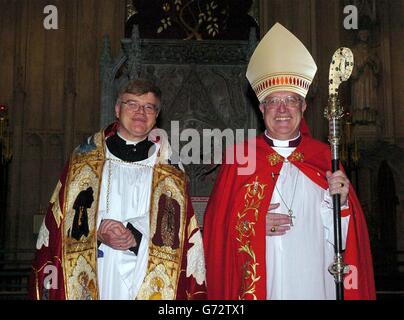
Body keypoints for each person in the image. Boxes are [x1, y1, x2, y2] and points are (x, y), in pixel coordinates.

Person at [203, 23, 376, 300]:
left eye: (291, 101)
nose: (282, 109)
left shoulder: (325, 160)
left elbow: (345, 242)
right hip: (261, 281)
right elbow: (216, 231)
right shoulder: (240, 158)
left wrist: (342, 205)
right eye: (273, 101)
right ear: (261, 109)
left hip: (313, 278)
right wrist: (253, 223)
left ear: (304, 107)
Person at [29, 79, 206, 300]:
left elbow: (180, 231)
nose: (140, 112)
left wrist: (136, 235)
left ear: (156, 115)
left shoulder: (171, 168)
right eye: (132, 103)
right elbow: (59, 221)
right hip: (97, 268)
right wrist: (98, 228)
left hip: (146, 272)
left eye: (148, 106)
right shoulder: (84, 160)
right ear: (117, 109)